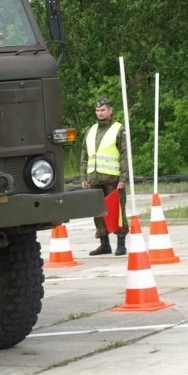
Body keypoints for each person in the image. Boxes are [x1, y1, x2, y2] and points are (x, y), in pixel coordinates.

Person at [80, 96, 128, 256]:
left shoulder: (118, 129)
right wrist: (83, 177)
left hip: (113, 179)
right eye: (97, 110)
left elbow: (124, 155)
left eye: (103, 110)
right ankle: (104, 243)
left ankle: (121, 243)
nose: (100, 113)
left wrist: (123, 178)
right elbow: (84, 155)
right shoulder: (91, 130)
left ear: (110, 110)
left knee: (117, 210)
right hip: (94, 178)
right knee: (98, 212)